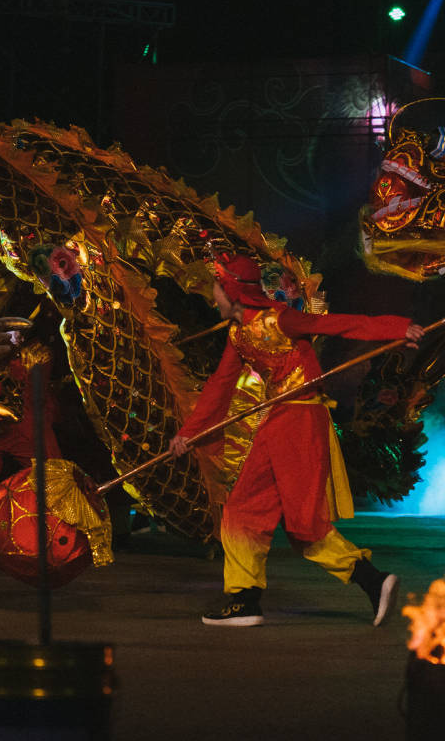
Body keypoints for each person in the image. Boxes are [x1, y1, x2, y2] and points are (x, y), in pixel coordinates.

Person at [168, 253, 421, 627]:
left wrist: (396, 329)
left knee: (304, 525)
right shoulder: (238, 335)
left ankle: (372, 579)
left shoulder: (281, 319)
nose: (213, 296)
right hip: (278, 422)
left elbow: (339, 325)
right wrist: (189, 433)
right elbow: (219, 388)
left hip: (301, 419)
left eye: (217, 288)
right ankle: (244, 600)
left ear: (233, 291)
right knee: (242, 510)